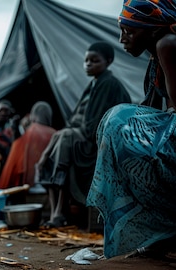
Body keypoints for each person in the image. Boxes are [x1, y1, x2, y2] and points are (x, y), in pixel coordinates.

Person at [87, 0, 176, 259]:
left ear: (152, 29)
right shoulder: (158, 53)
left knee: (118, 121)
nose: (122, 38)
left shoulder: (168, 44)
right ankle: (163, 233)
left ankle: (166, 230)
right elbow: (153, 107)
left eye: (129, 31)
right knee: (116, 123)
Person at [35, 42, 131, 228]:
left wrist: (71, 132)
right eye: (86, 60)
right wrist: (46, 153)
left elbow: (95, 125)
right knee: (60, 140)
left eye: (94, 61)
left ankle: (59, 213)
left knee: (65, 138)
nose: (88, 64)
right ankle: (57, 210)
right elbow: (75, 119)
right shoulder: (92, 84)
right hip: (78, 136)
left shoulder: (108, 84)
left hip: (95, 143)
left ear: (108, 61)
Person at [0, 101, 56, 189]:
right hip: (49, 187)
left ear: (33, 117)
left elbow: (10, 171)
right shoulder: (55, 134)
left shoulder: (29, 135)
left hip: (27, 188)